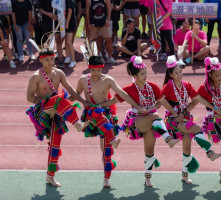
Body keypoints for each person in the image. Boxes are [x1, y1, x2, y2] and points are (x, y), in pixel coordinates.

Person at [77, 43, 148, 187]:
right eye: (93, 70)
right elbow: (75, 95)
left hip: (105, 114)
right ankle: (97, 130)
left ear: (102, 68)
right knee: (101, 135)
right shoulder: (83, 80)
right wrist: (61, 102)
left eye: (99, 70)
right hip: (90, 114)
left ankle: (106, 178)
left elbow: (122, 94)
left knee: (105, 149)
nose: (96, 73)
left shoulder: (108, 80)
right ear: (89, 68)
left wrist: (137, 106)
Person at [103, 56, 180, 187]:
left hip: (151, 120)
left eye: (146, 73)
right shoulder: (129, 89)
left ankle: (148, 178)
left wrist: (174, 113)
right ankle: (168, 139)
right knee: (155, 116)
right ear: (134, 75)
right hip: (137, 121)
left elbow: (161, 103)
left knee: (149, 150)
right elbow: (113, 101)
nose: (145, 76)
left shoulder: (153, 87)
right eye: (142, 74)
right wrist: (98, 104)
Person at [26, 34, 90, 187]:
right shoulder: (35, 77)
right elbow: (29, 98)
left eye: (52, 59)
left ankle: (50, 176)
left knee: (55, 144)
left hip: (58, 111)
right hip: (43, 112)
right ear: (41, 60)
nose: (50, 62)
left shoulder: (59, 73)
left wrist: (84, 102)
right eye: (47, 59)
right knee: (58, 99)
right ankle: (77, 124)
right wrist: (45, 101)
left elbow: (72, 92)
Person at [162, 56, 221, 184]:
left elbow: (198, 99)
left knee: (187, 147)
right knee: (196, 129)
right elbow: (162, 101)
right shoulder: (168, 87)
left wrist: (214, 107)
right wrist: (175, 114)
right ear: (171, 74)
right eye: (176, 73)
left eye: (180, 72)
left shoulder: (187, 85)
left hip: (184, 117)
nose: (179, 74)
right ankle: (210, 153)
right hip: (173, 120)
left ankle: (184, 175)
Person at [40, 0, 64, 68]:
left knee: (58, 40)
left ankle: (60, 60)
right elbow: (40, 9)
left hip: (57, 20)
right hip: (47, 21)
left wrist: (58, 16)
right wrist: (49, 14)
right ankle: (50, 61)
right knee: (50, 41)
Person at [64, 0, 78, 68]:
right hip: (66, 23)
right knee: (66, 42)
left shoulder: (70, 1)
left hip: (70, 24)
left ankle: (73, 60)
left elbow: (70, 11)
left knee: (69, 42)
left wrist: (67, 23)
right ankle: (67, 56)